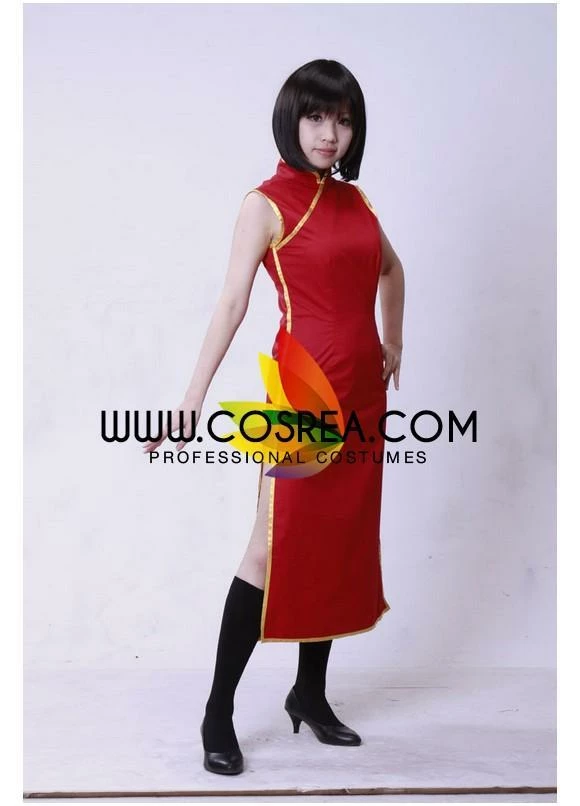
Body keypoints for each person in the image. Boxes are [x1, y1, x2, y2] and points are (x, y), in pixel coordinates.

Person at [143, 59, 405, 776]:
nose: (330, 133)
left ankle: (309, 695)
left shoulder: (357, 203)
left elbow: (391, 270)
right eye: (316, 117)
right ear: (291, 119)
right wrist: (193, 398)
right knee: (270, 546)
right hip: (302, 397)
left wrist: (393, 340)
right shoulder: (265, 203)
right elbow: (232, 301)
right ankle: (217, 711)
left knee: (337, 541)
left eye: (343, 120)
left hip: (362, 396)